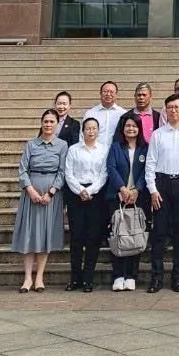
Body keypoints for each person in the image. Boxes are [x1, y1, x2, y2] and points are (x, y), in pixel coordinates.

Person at [12, 108, 68, 292]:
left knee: (45, 236)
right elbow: (23, 169)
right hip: (31, 194)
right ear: (41, 123)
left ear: (57, 124)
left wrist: (51, 192)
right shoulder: (31, 144)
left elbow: (63, 171)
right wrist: (30, 190)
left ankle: (39, 278)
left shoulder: (62, 145)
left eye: (52, 122)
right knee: (29, 235)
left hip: (51, 196)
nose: (48, 125)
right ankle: (27, 278)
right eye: (46, 121)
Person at [145, 93, 179, 292]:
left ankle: (177, 277)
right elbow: (150, 163)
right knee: (159, 234)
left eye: (177, 107)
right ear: (165, 111)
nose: (174, 110)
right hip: (162, 185)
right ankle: (156, 277)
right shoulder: (158, 134)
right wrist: (152, 190)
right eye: (170, 107)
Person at [64, 116, 109, 292]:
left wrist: (90, 191)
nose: (91, 131)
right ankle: (75, 278)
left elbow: (104, 174)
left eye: (94, 128)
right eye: (88, 128)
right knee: (76, 238)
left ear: (98, 131)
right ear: (82, 131)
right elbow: (68, 173)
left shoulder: (104, 150)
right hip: (76, 195)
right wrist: (80, 190)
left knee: (93, 237)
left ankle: (88, 278)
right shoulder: (74, 149)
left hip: (96, 196)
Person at [106, 112, 149, 292]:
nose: (131, 129)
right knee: (118, 234)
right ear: (122, 129)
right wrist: (122, 189)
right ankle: (118, 275)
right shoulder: (116, 147)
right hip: (117, 196)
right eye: (128, 126)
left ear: (139, 129)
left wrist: (136, 189)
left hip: (138, 198)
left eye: (134, 126)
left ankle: (131, 275)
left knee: (135, 235)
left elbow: (147, 170)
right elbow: (111, 168)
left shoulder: (145, 148)